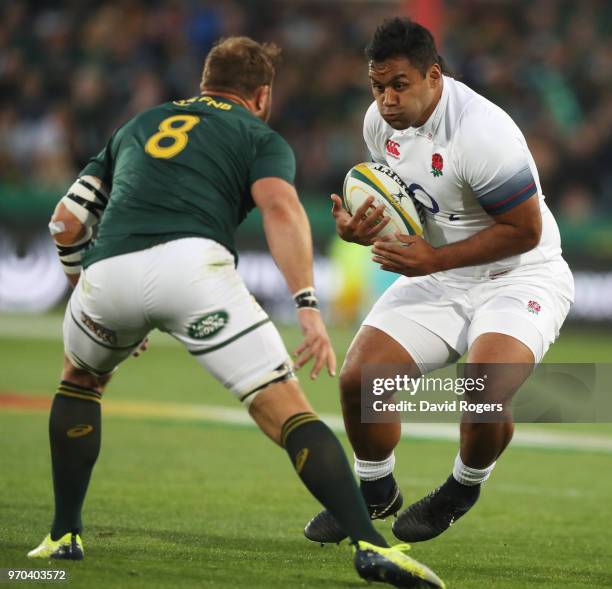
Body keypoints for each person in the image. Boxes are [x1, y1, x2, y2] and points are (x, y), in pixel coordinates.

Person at [27, 35, 445, 588]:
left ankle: (62, 533)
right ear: (262, 96)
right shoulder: (256, 135)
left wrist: (86, 287)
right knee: (287, 412)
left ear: (205, 82)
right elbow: (281, 209)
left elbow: (66, 221)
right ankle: (370, 546)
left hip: (107, 273)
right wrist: (307, 306)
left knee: (80, 382)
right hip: (192, 271)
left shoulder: (139, 125)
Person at [304, 18, 574, 544]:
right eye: (377, 86)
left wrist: (432, 260)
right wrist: (362, 229)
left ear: (434, 75)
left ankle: (461, 489)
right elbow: (410, 206)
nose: (386, 100)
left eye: (399, 85)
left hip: (520, 275)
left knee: (485, 387)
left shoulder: (482, 132)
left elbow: (523, 231)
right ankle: (374, 491)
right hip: (443, 269)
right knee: (361, 380)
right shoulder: (378, 124)